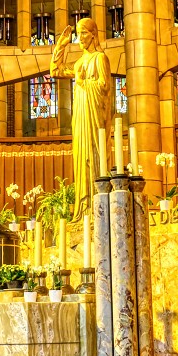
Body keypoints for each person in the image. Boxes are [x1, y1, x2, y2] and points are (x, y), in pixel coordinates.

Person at [51, 18, 112, 220]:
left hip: (94, 117)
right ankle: (84, 207)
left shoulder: (100, 58)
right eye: (78, 34)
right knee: (80, 155)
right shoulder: (79, 63)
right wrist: (61, 45)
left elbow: (104, 87)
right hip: (80, 116)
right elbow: (56, 70)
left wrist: (84, 82)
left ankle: (98, 206)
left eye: (84, 33)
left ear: (93, 34)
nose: (80, 38)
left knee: (93, 154)